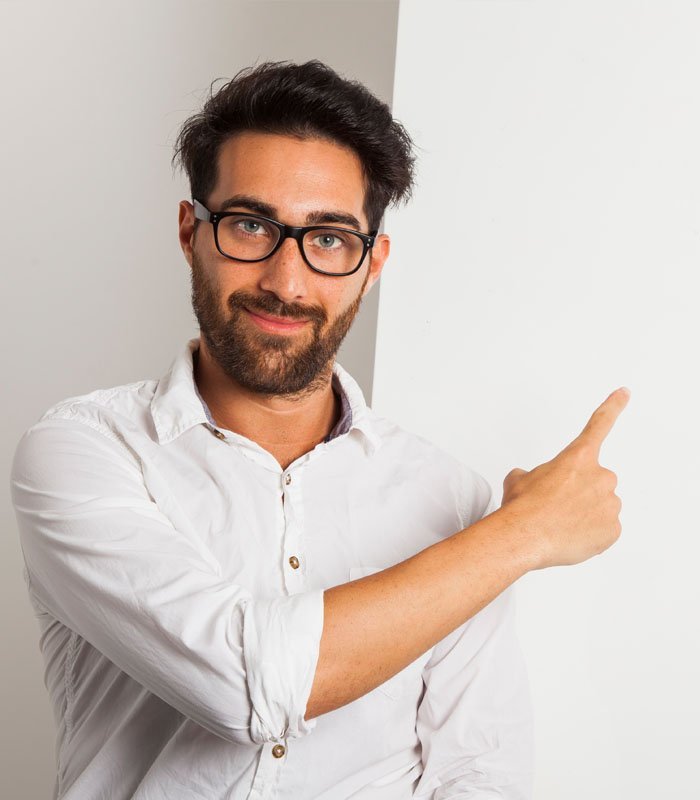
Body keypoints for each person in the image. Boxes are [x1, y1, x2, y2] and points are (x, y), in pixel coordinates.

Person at [10, 60, 628, 800]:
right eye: (250, 225)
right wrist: (524, 534)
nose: (286, 281)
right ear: (189, 231)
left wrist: (500, 534)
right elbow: (243, 686)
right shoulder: (86, 451)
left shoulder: (449, 498)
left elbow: (479, 773)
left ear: (373, 263)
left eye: (330, 239)